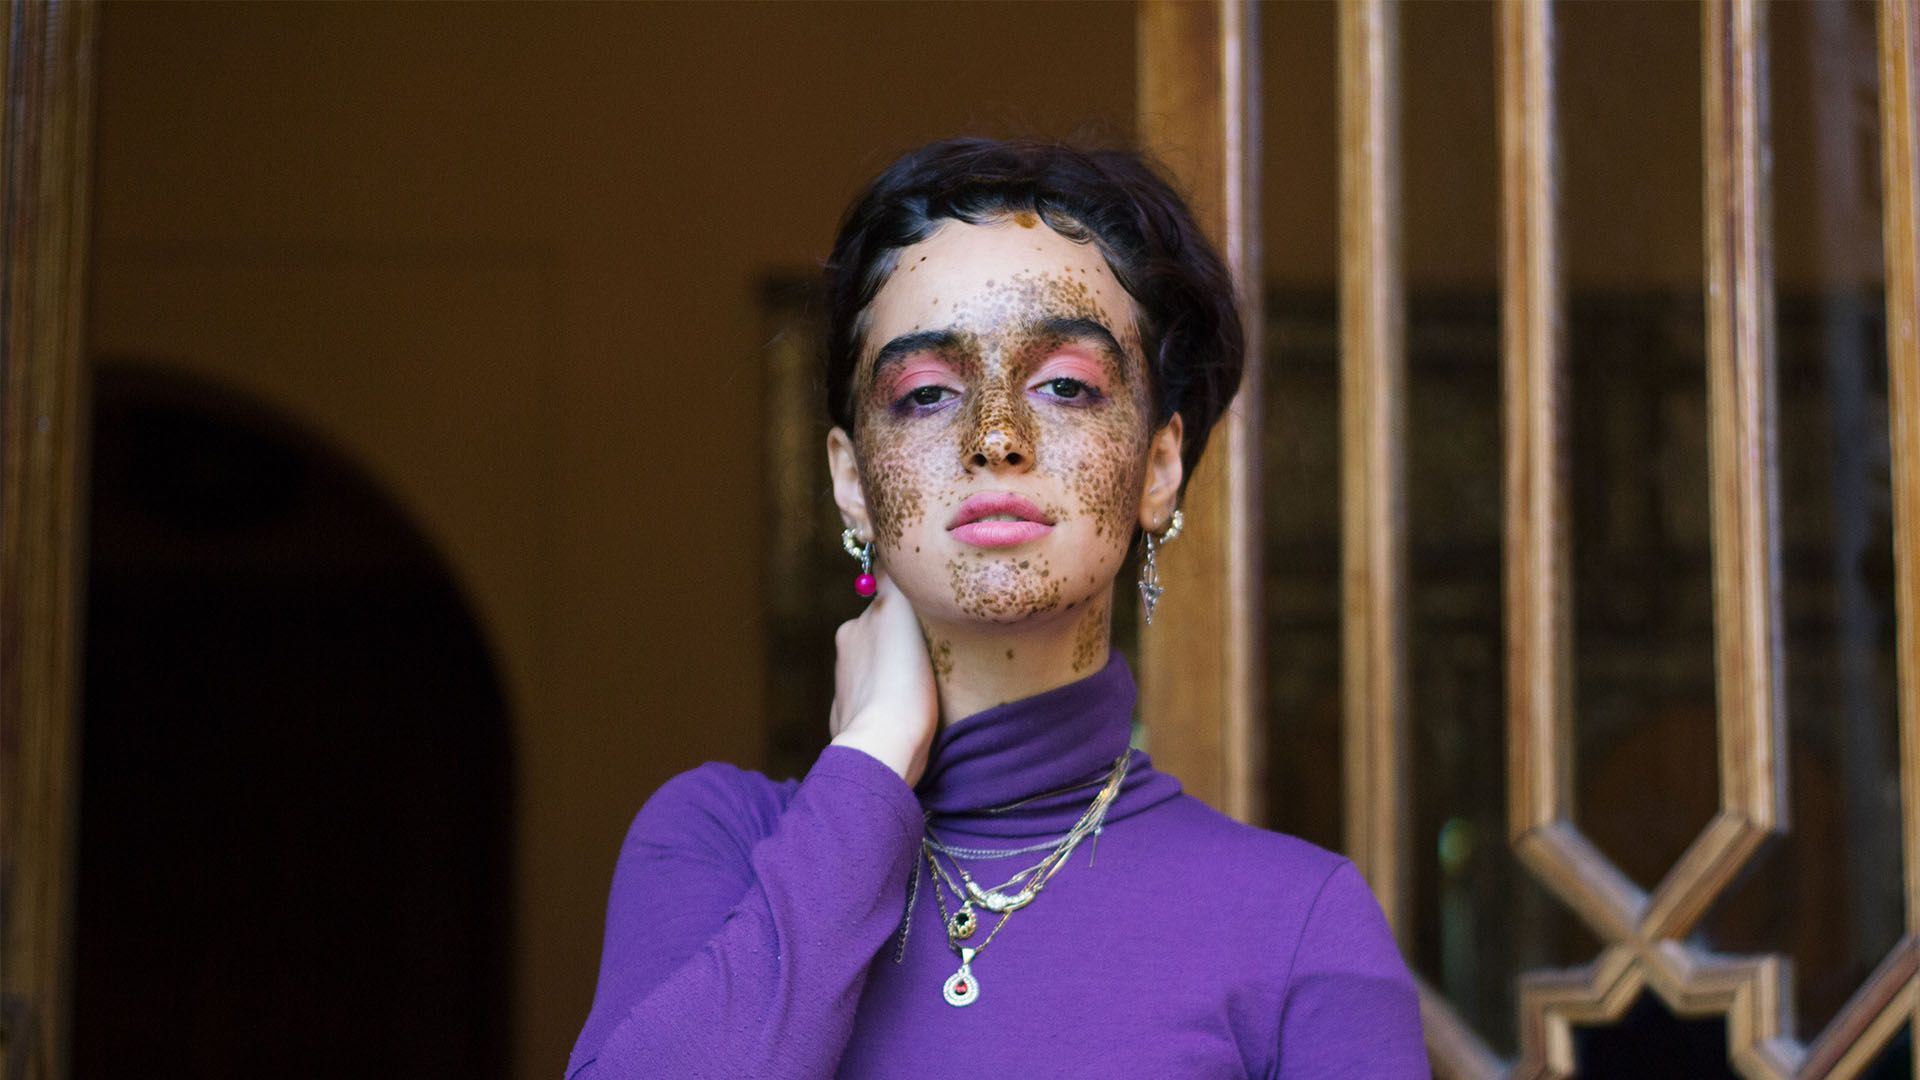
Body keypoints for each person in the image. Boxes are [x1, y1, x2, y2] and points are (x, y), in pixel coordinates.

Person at [565, 137, 1428, 1078]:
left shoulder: (1300, 929)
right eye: (927, 393)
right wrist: (871, 761)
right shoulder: (718, 848)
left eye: (1065, 385)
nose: (997, 438)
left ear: (1159, 466)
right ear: (852, 483)